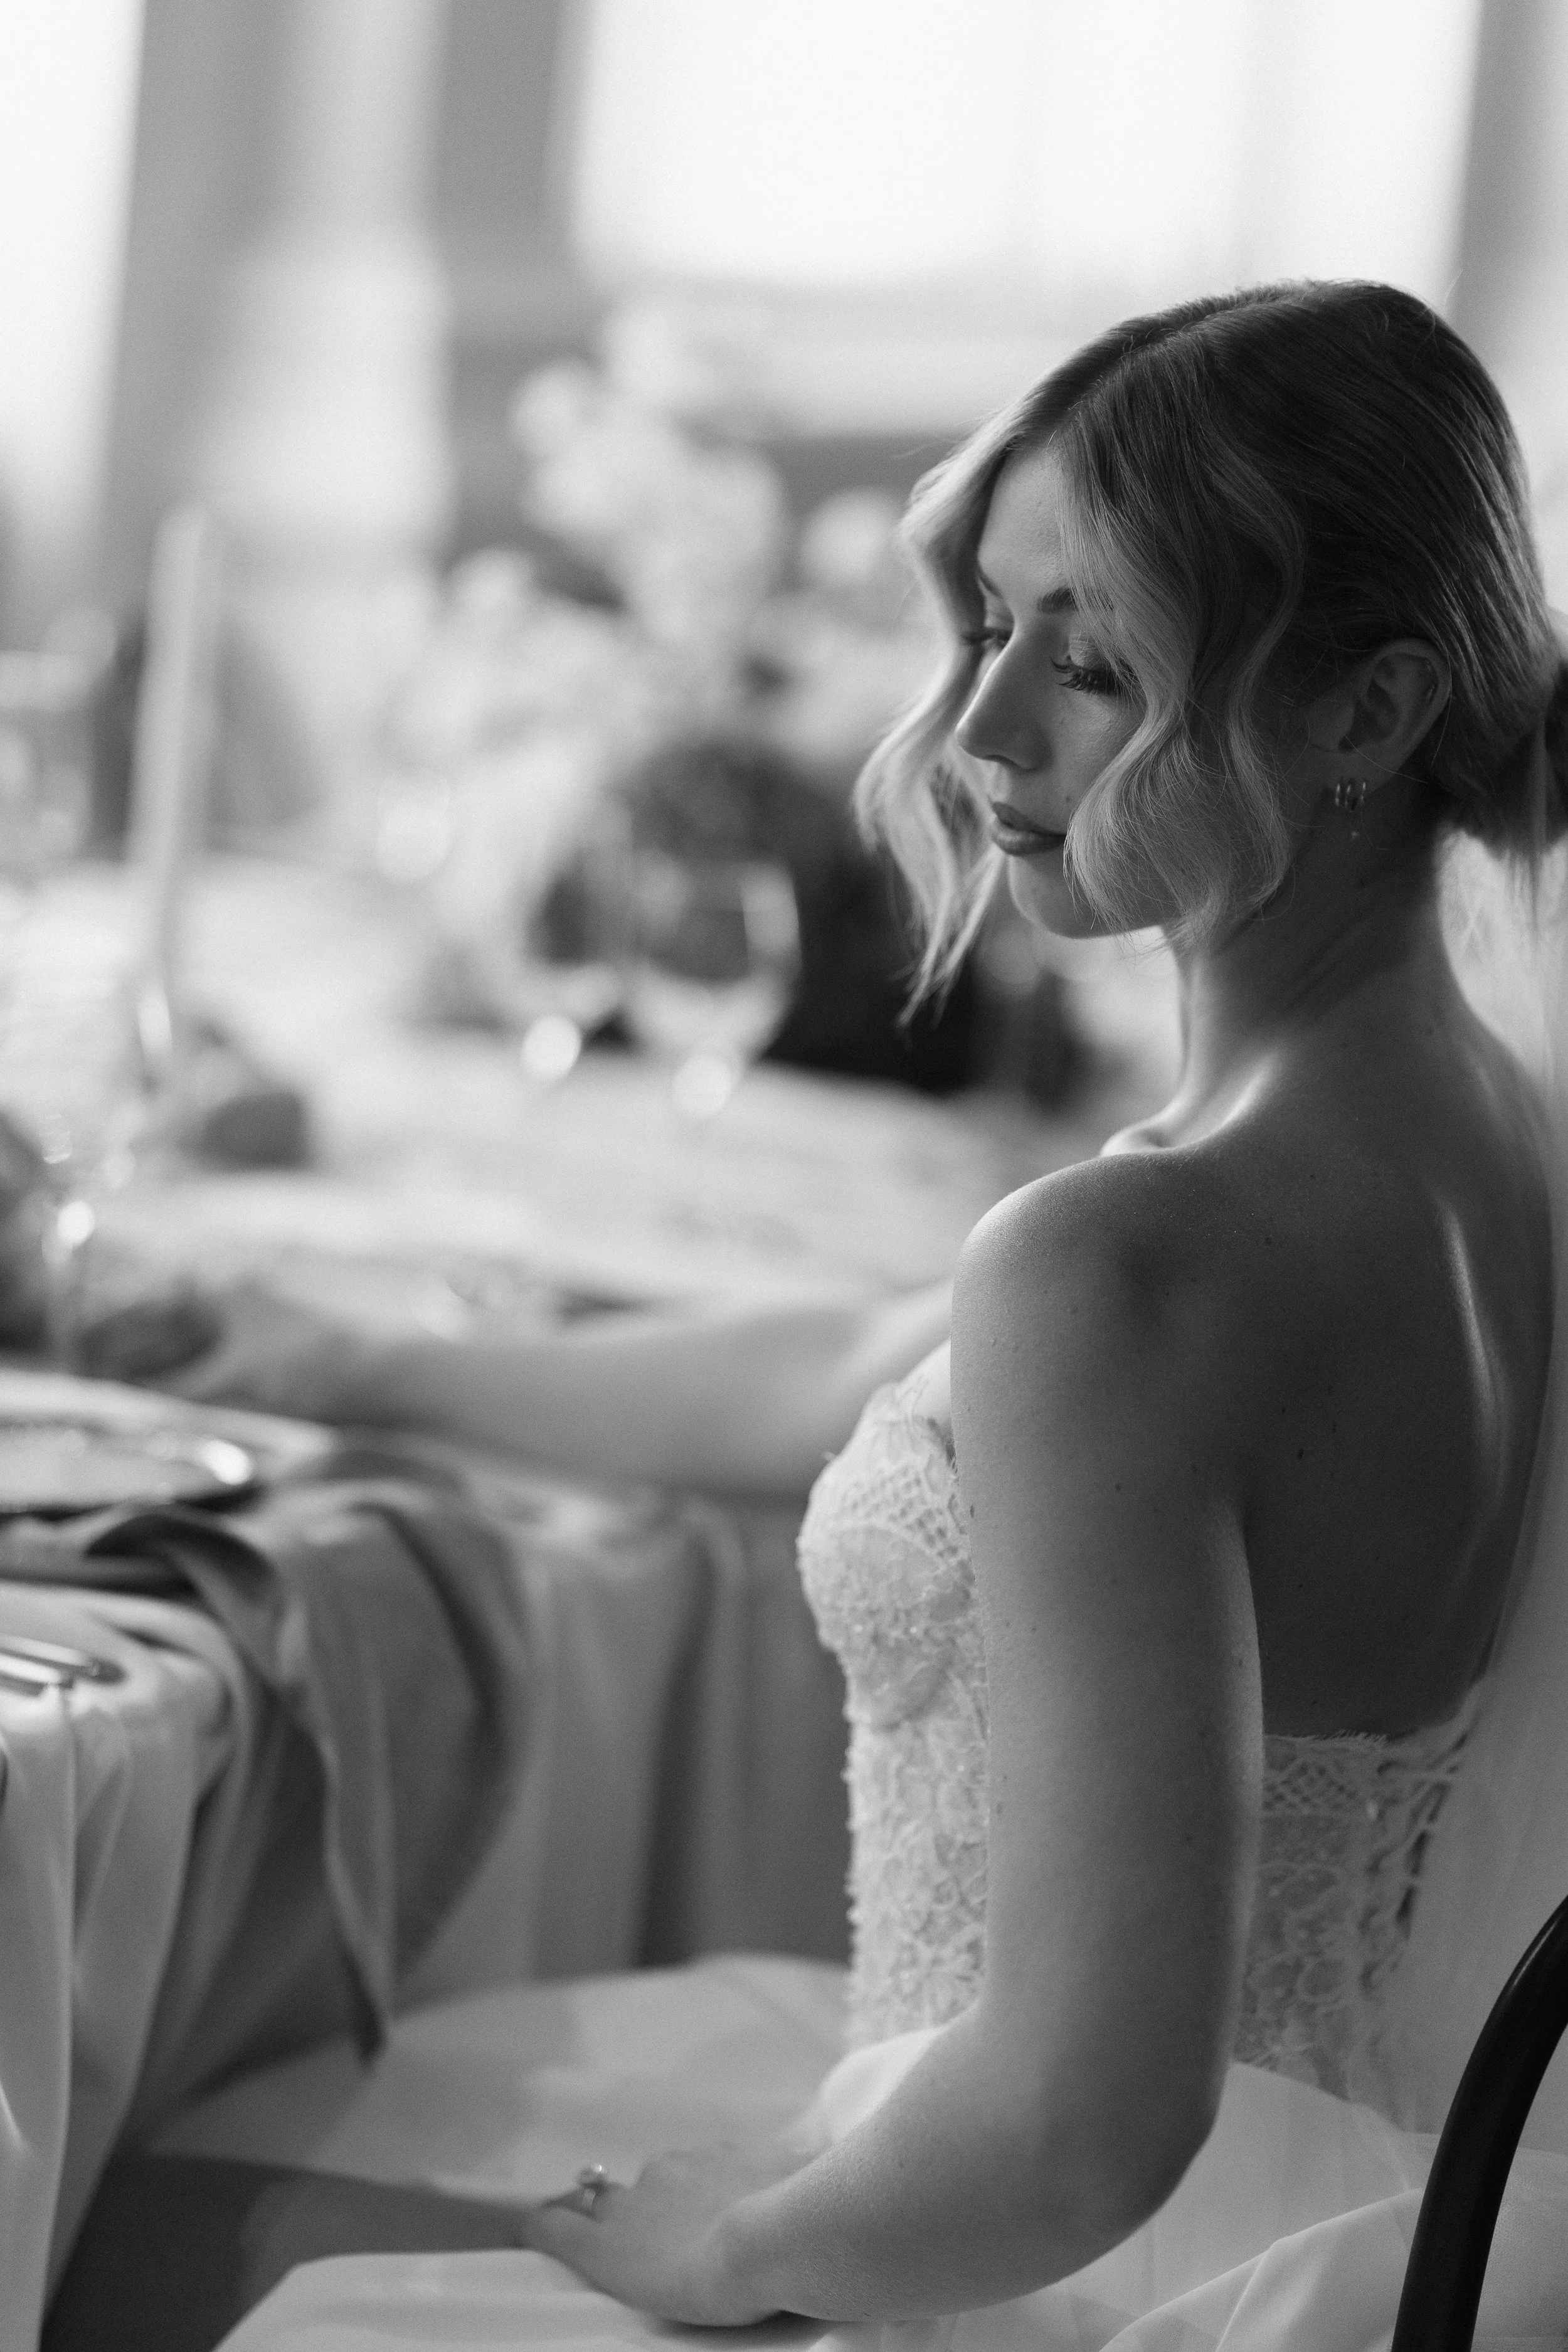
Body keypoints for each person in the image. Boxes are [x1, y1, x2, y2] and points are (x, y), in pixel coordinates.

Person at [109, 282, 1568, 2349]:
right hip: (1343, 2194)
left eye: (1095, 662)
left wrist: (710, 2253)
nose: (980, 733)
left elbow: (1080, 2117)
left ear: (1368, 713)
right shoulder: (1477, 1135)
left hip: (1026, 2254)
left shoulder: (1130, 1258)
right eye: (989, 625)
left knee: (144, 2211)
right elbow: (856, 1366)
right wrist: (339, 1361)